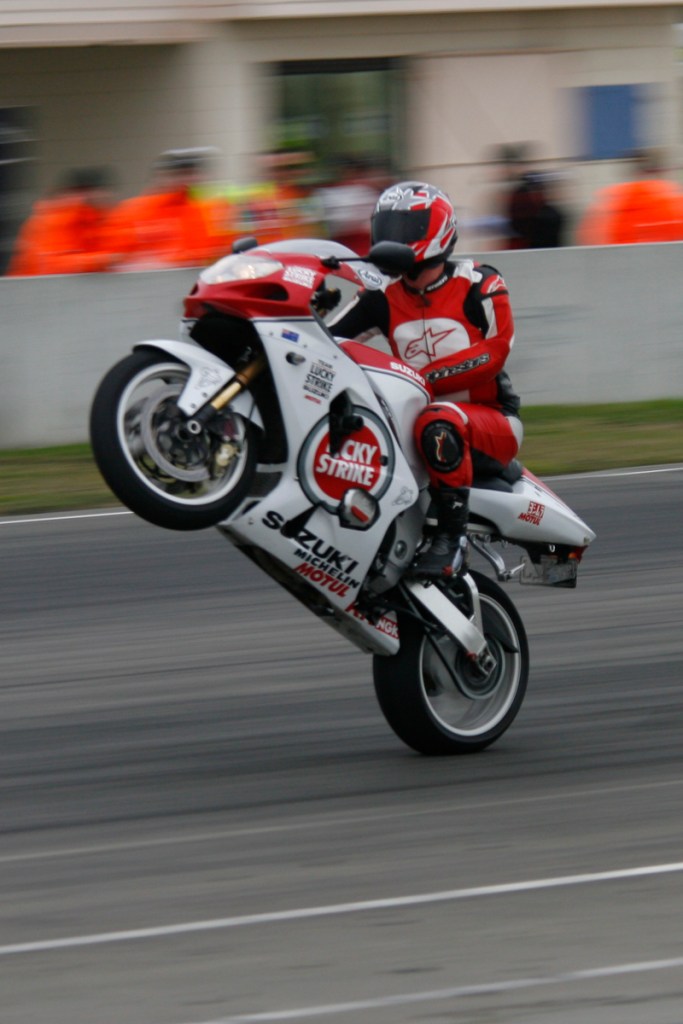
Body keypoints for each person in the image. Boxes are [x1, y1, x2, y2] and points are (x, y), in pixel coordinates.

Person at [332, 181, 523, 577]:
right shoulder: (381, 295)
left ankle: (452, 542)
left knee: (436, 419)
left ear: (437, 231)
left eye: (404, 230)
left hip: (492, 421)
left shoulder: (481, 284)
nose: (391, 241)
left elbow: (496, 351)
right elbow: (330, 342)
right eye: (385, 229)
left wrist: (417, 379)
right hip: (419, 420)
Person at [108, 149, 219, 270]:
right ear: (160, 177)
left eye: (192, 173)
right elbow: (114, 257)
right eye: (179, 174)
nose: (187, 180)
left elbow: (217, 251)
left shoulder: (210, 210)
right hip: (147, 282)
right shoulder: (132, 211)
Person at [6, 167, 117, 276]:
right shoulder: (51, 221)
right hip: (35, 289)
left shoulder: (96, 220)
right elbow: (49, 265)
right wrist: (101, 260)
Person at [576, 148, 683, 246]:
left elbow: (590, 239)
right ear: (660, 171)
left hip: (622, 262)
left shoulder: (612, 200)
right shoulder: (672, 200)